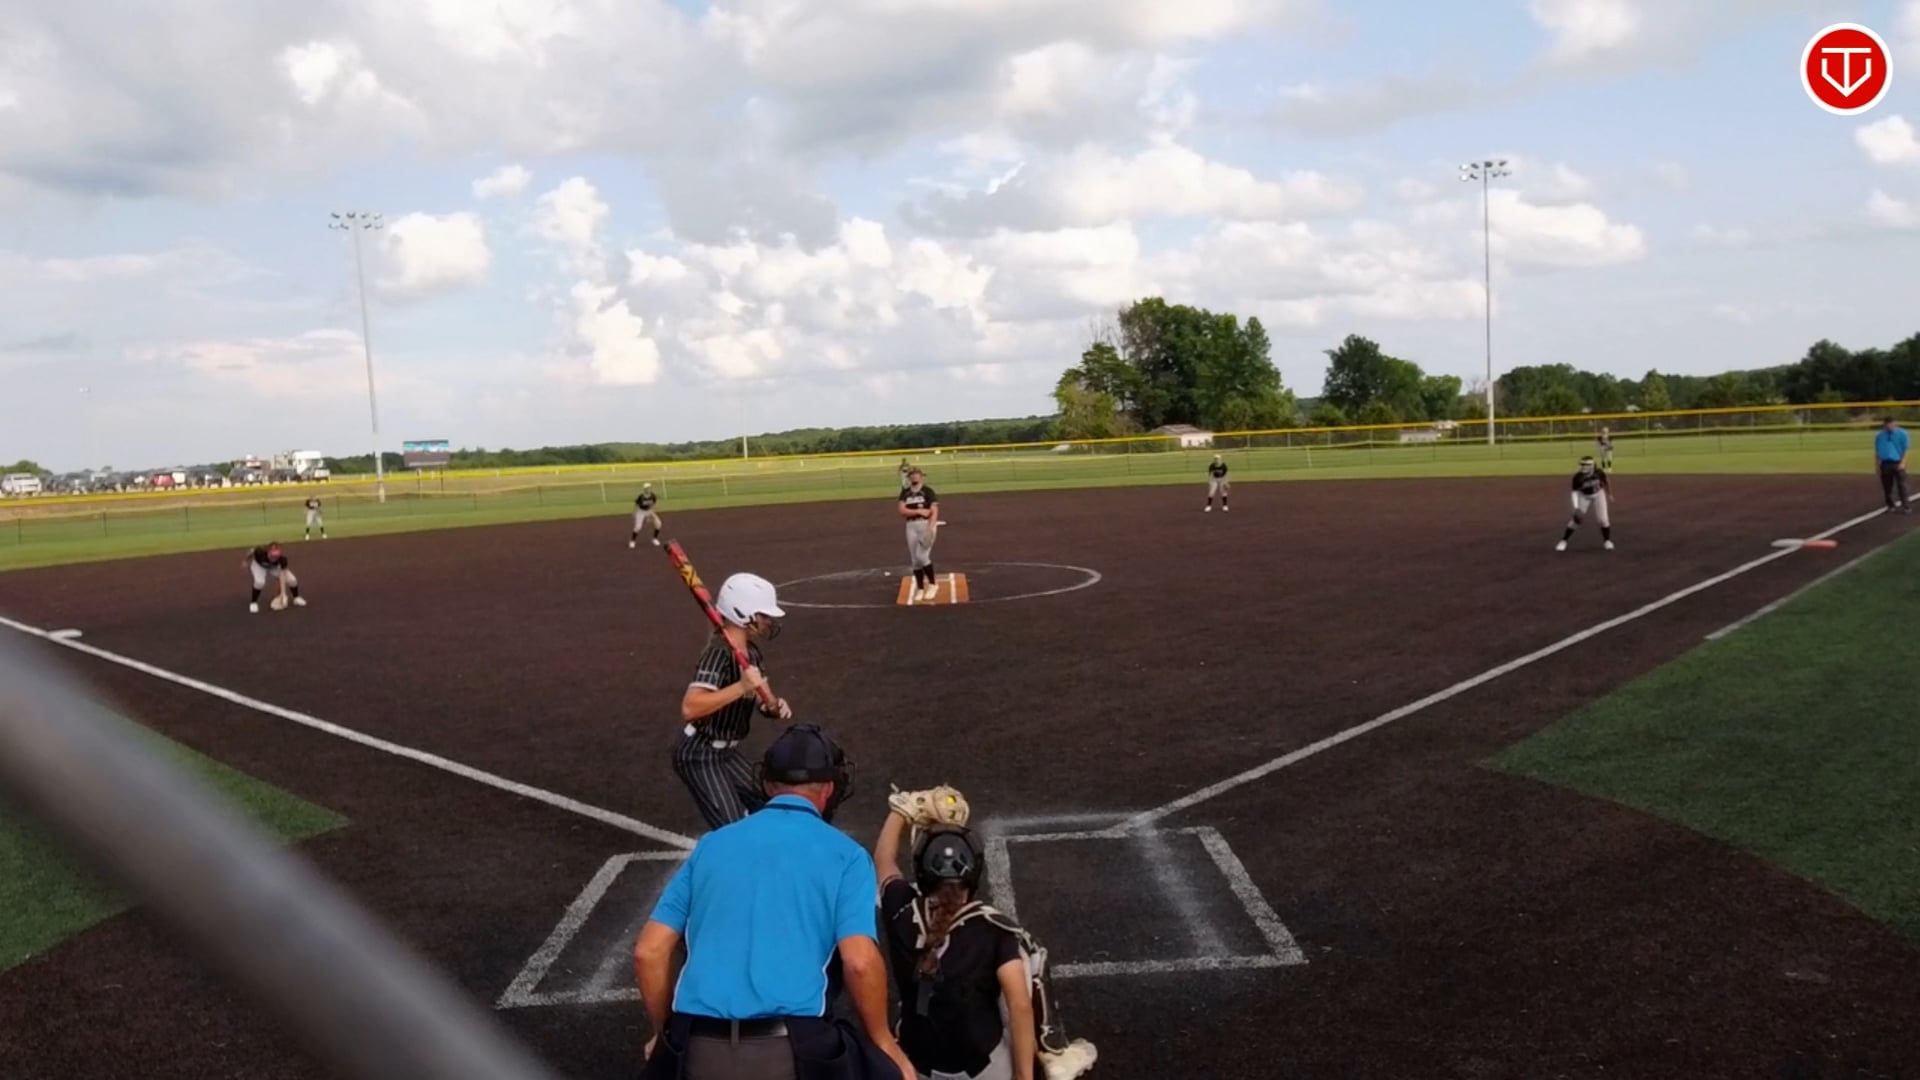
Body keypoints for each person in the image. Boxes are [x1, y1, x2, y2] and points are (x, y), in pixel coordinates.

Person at [635, 725, 918, 1080]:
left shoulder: (711, 845)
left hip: (697, 1048)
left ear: (768, 785)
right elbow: (860, 962)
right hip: (789, 1052)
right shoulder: (847, 856)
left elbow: (649, 952)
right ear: (829, 789)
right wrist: (883, 1041)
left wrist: (662, 1035)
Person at [873, 810, 1098, 1080]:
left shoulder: (900, 913)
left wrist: (900, 811)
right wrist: (1024, 1076)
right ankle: (1053, 1053)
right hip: (983, 1071)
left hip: (917, 1067)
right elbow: (1019, 1005)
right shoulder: (994, 931)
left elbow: (883, 861)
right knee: (1030, 956)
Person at [675, 572, 794, 830]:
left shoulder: (751, 653)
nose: (767, 622)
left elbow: (764, 698)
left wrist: (773, 706)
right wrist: (740, 687)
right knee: (733, 829)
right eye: (763, 615)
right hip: (700, 752)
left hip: (727, 752)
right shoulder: (718, 653)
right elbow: (690, 707)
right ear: (743, 614)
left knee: (773, 805)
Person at [1556, 455, 1615, 552]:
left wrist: (1610, 494)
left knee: (1603, 520)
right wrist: (1576, 508)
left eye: (1585, 465)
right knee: (1576, 519)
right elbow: (1574, 493)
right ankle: (1563, 541)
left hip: (1598, 494)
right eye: (1582, 464)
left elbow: (1606, 481)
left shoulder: (1598, 472)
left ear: (1591, 466)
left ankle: (1607, 541)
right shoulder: (1577, 477)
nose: (1583, 466)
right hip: (1584, 496)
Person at [900, 468, 940, 602]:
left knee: (922, 556)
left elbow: (934, 511)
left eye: (917, 475)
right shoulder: (905, 492)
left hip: (925, 525)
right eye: (912, 475)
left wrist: (930, 528)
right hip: (911, 526)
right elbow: (902, 510)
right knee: (915, 560)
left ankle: (933, 584)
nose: (915, 477)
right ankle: (921, 588)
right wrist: (918, 511)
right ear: (909, 477)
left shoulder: (928, 491)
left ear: (921, 477)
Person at [243, 542, 306, 614]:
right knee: (259, 582)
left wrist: (283, 594)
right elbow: (251, 552)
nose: (274, 559)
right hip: (259, 565)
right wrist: (246, 561)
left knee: (292, 580)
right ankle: (253, 602)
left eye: (276, 557)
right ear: (268, 552)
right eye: (272, 556)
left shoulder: (282, 560)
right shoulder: (260, 552)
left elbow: (282, 577)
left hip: (273, 567)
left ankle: (296, 598)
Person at [1874, 416, 1911, 513]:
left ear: (1895, 424)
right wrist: (1877, 465)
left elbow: (1905, 449)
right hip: (1885, 463)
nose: (1889, 427)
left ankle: (1906, 506)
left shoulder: (1902, 434)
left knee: (1902, 485)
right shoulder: (1880, 436)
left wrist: (1903, 462)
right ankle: (1890, 505)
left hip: (1897, 462)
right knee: (1887, 486)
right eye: (1887, 425)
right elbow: (1877, 452)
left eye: (1891, 424)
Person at [632, 483, 664, 548]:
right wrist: (635, 513)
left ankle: (655, 539)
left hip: (649, 510)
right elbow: (637, 504)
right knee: (638, 527)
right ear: (644, 489)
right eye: (647, 488)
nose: (648, 489)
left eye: (649, 488)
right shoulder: (641, 496)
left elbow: (653, 504)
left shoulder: (652, 495)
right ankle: (632, 541)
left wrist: (651, 515)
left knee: (658, 524)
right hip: (641, 511)